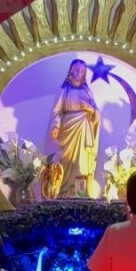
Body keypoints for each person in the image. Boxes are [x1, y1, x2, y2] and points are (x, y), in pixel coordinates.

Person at [50, 58, 100, 198]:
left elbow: (97, 113)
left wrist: (89, 108)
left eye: (82, 71)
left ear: (85, 73)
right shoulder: (64, 90)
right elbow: (57, 112)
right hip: (68, 130)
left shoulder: (88, 92)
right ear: (71, 71)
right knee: (67, 162)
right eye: (77, 69)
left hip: (84, 129)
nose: (79, 72)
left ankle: (81, 193)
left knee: (82, 164)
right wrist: (55, 126)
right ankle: (65, 192)